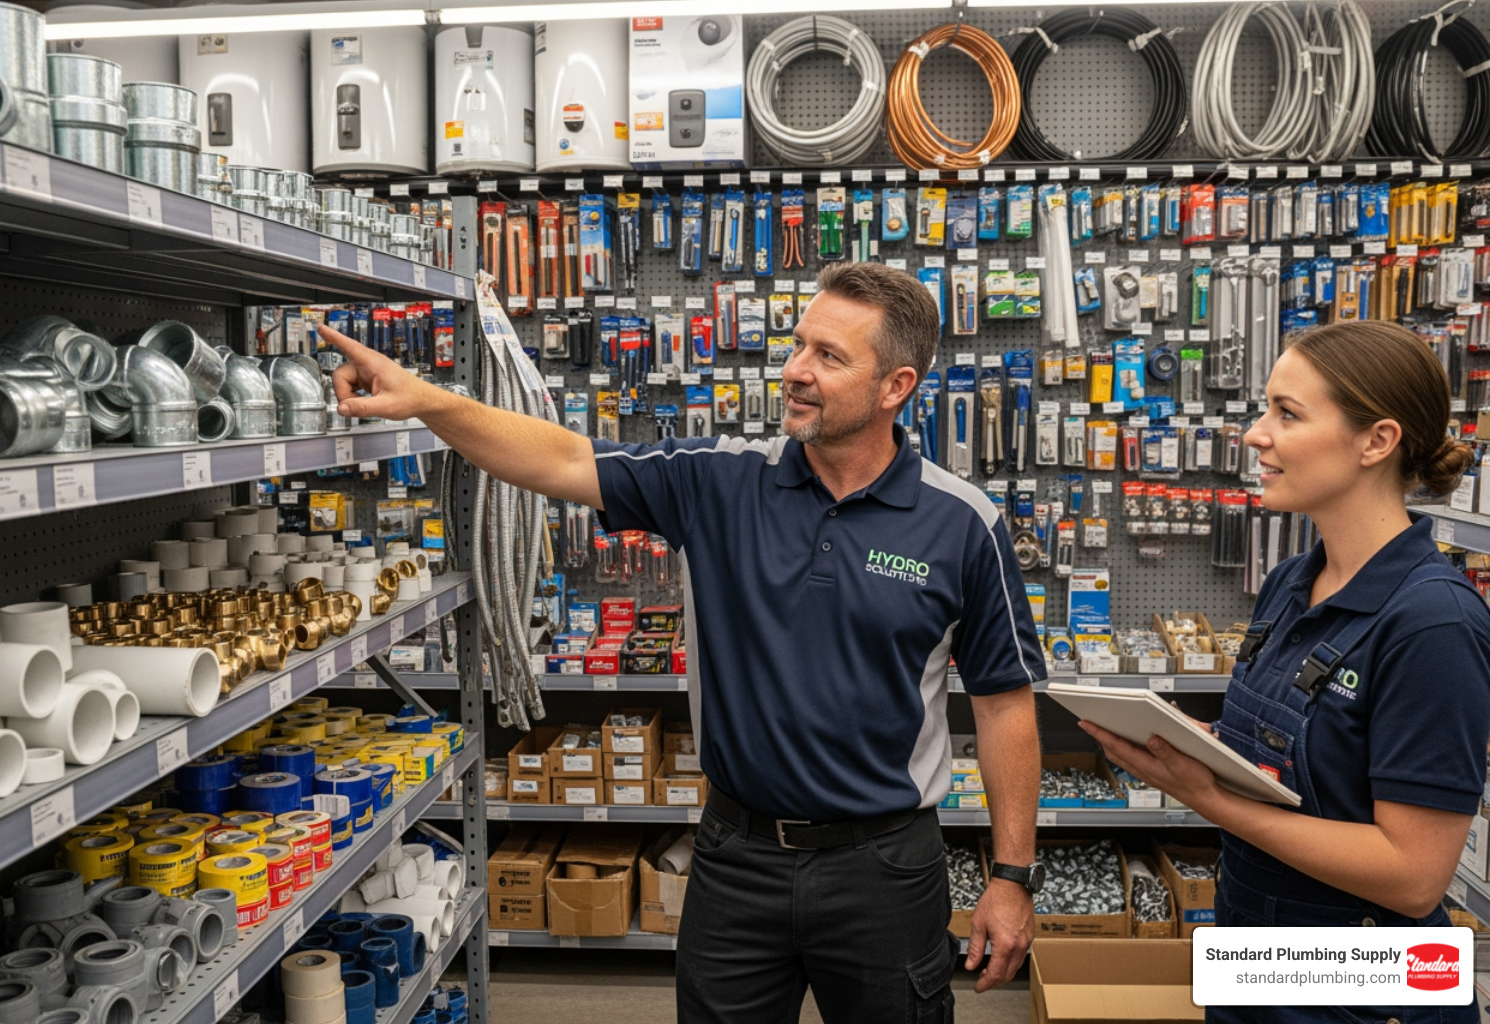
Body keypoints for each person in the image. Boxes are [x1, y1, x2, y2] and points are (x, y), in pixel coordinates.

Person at [322, 261, 1046, 1023]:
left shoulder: (963, 523)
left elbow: (1004, 705)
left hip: (886, 869)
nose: (795, 370)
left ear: (895, 386)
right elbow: (563, 458)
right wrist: (428, 401)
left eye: (829, 357)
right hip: (738, 860)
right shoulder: (718, 481)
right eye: (798, 345)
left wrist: (1011, 876)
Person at [1079, 321, 1490, 1024]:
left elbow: (1414, 877)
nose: (1253, 434)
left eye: (1287, 413)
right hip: (1255, 952)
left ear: (1376, 440)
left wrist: (1211, 797)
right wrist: (1196, 746)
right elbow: (1303, 762)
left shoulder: (1433, 623)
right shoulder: (1294, 581)